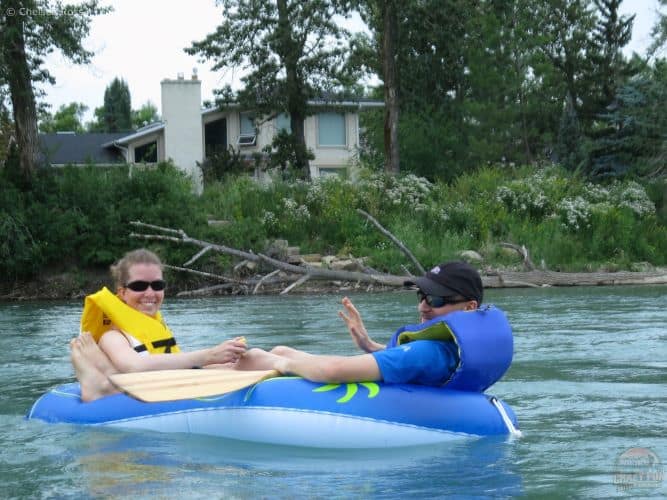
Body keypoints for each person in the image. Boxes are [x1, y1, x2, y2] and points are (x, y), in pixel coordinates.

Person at [237, 261, 484, 386]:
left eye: (436, 299)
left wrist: (280, 364)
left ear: (469, 307)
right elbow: (412, 362)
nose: (423, 306)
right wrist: (369, 345)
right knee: (283, 349)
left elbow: (333, 371)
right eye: (421, 296)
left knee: (268, 356)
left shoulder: (429, 351)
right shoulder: (459, 348)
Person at [70, 248, 247, 401]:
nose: (150, 293)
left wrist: (225, 358)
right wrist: (208, 355)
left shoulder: (159, 329)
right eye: (139, 286)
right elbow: (134, 366)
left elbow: (178, 367)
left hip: (164, 383)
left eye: (157, 285)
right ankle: (103, 380)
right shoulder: (113, 336)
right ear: (122, 293)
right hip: (140, 387)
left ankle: (107, 378)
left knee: (257, 356)